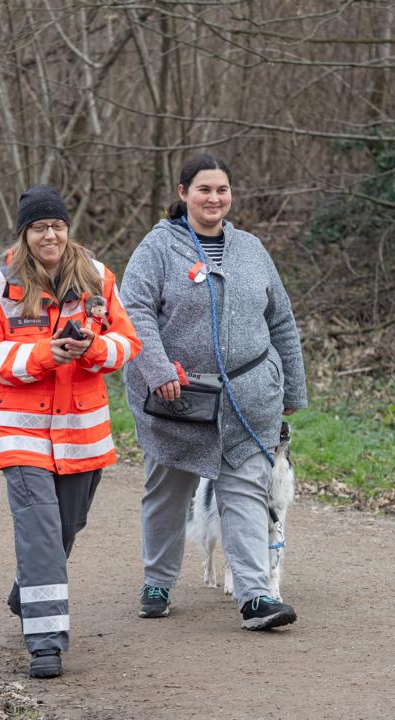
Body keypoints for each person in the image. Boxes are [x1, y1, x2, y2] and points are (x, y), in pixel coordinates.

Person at [120, 154, 307, 630]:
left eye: (222, 190)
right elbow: (134, 311)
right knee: (167, 494)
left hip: (249, 398)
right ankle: (157, 582)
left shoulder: (251, 249)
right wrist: (158, 370)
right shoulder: (157, 248)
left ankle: (255, 596)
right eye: (204, 189)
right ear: (183, 193)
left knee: (246, 491)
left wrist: (293, 386)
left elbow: (281, 319)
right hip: (177, 400)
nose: (214, 198)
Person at [0, 185, 141, 678]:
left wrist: (90, 349)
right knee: (40, 531)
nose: (50, 235)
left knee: (66, 526)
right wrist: (46, 354)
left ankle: (28, 590)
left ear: (68, 229)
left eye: (57, 226)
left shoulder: (98, 277)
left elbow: (127, 343)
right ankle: (46, 644)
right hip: (21, 433)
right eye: (40, 227)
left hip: (82, 432)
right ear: (25, 233)